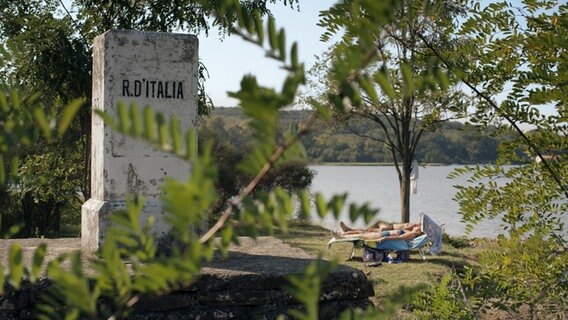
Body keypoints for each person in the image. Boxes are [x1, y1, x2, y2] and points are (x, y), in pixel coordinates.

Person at [331, 224, 423, 243]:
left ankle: (341, 236)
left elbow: (399, 237)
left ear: (419, 231)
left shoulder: (412, 234)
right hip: (385, 233)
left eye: (418, 227)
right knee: (362, 233)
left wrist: (385, 238)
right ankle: (343, 234)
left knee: (361, 235)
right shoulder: (411, 232)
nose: (416, 226)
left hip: (383, 235)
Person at [339, 220, 420, 235]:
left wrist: (414, 225)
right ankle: (350, 229)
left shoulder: (415, 230)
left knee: (369, 231)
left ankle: (349, 230)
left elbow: (404, 232)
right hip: (391, 227)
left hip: (392, 230)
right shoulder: (417, 226)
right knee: (378, 222)